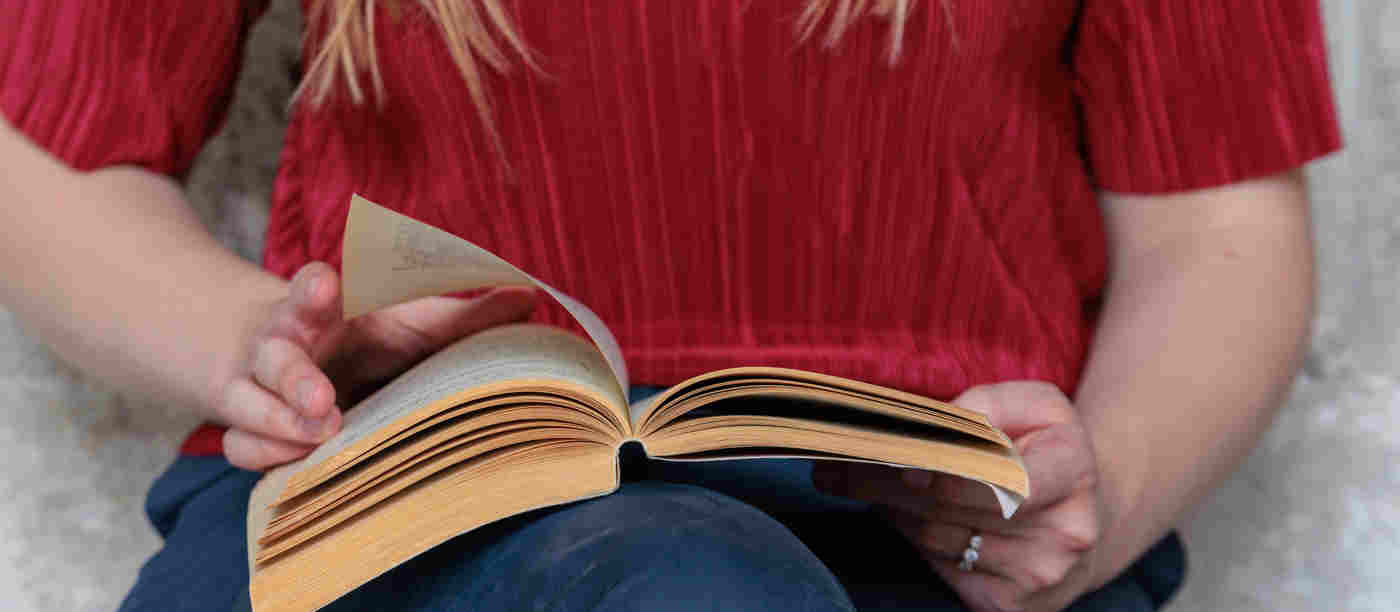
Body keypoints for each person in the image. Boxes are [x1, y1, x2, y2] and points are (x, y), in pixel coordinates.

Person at [0, 1, 1339, 610]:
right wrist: (250, 340)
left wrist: (1094, 499)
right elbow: (43, 159)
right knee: (684, 574)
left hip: (930, 537)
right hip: (388, 502)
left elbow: (1222, 232)